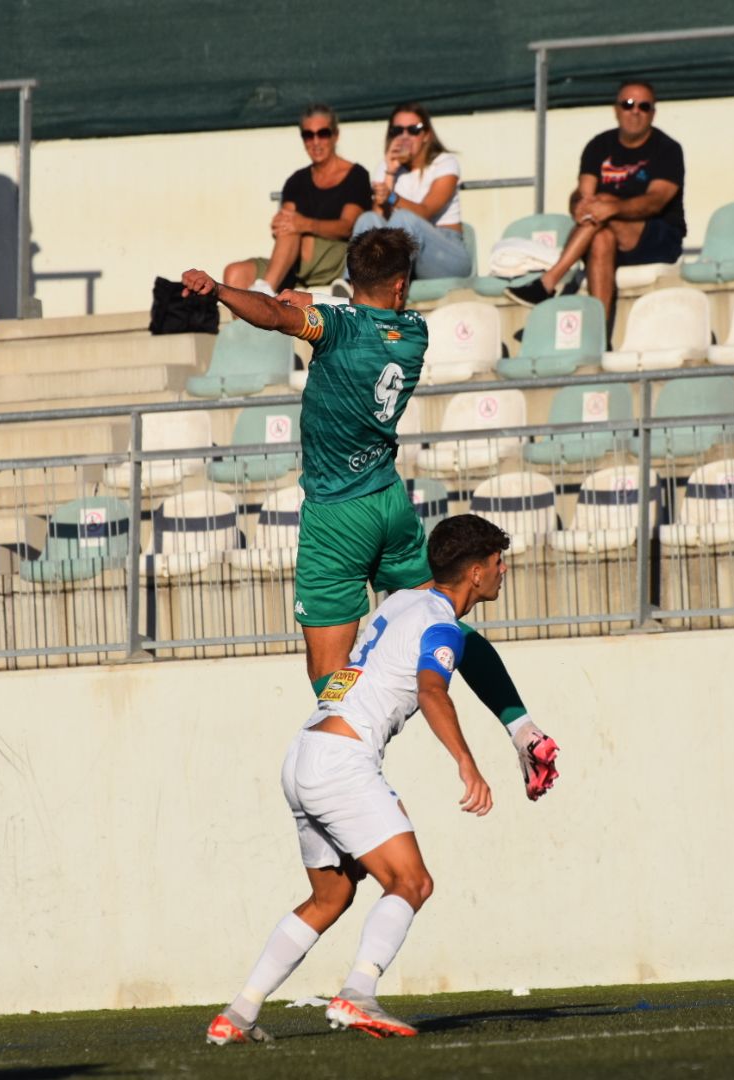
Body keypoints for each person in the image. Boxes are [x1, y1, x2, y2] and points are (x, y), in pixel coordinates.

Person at [181, 230, 559, 802]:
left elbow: (274, 318)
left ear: (352, 278)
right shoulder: (414, 333)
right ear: (402, 286)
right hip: (390, 504)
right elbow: (333, 319)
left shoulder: (338, 327)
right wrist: (308, 308)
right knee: (446, 624)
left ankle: (356, 779)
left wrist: (222, 290)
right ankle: (522, 728)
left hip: (337, 518)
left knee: (330, 684)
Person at [206, 513, 512, 1044]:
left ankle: (237, 1013)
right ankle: (358, 993)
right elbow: (433, 691)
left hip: (303, 752)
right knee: (412, 882)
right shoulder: (441, 623)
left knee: (331, 897)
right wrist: (467, 762)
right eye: (496, 562)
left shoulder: (399, 602)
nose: (503, 570)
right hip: (342, 761)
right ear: (477, 575)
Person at [506, 80, 685, 322]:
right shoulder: (599, 146)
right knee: (601, 236)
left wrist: (611, 206)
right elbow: (584, 195)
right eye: (628, 104)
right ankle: (598, 334)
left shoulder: (668, 150)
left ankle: (549, 281)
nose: (635, 112)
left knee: (604, 208)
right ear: (616, 109)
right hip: (605, 232)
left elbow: (655, 202)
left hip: (657, 236)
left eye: (644, 106)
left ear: (653, 113)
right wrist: (580, 206)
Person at [223, 105, 373, 295]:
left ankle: (266, 289)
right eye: (308, 135)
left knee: (292, 224)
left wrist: (304, 224)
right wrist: (281, 224)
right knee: (234, 274)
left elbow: (348, 227)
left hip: (335, 259)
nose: (315, 141)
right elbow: (284, 226)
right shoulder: (296, 181)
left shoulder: (355, 175)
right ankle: (249, 320)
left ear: (335, 135)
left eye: (323, 133)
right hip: (296, 264)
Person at [349, 104, 471, 282]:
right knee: (366, 219)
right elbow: (377, 221)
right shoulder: (386, 167)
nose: (404, 137)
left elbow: (426, 211)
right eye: (397, 130)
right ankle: (350, 285)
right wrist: (390, 173)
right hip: (404, 257)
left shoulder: (445, 163)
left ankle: (387, 287)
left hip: (445, 254)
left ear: (426, 135)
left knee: (404, 219)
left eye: (414, 130)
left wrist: (392, 196)